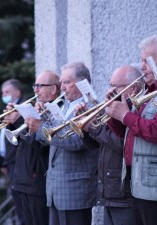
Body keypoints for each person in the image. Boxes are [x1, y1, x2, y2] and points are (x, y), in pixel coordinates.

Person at [105, 34, 157, 225]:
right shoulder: (147, 91)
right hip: (140, 185)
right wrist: (114, 112)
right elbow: (128, 134)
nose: (141, 66)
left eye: (147, 61)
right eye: (141, 60)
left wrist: (125, 115)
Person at [27, 62, 99, 225]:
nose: (62, 87)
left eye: (67, 82)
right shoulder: (66, 106)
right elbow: (51, 138)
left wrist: (40, 128)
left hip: (75, 190)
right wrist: (38, 120)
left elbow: (75, 142)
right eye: (61, 82)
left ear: (82, 83)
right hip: (56, 188)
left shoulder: (90, 106)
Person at [77, 65, 144, 225]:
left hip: (124, 192)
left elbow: (122, 143)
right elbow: (96, 144)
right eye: (110, 85)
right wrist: (86, 128)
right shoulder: (112, 107)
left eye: (115, 86)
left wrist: (92, 127)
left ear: (133, 88)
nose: (110, 90)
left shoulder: (135, 110)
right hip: (108, 190)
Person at [3, 70, 61, 225]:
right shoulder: (35, 107)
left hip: (37, 182)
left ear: (53, 89)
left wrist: (23, 120)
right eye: (35, 85)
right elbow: (22, 142)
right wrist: (15, 122)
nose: (35, 90)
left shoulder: (57, 110)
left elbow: (43, 146)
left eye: (39, 86)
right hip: (22, 180)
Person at [0, 79, 25, 225]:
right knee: (17, 200)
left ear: (17, 92)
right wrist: (2, 160)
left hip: (18, 162)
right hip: (10, 161)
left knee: (22, 202)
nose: (4, 95)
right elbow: (4, 136)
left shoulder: (22, 108)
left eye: (7, 92)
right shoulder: (9, 108)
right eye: (2, 93)